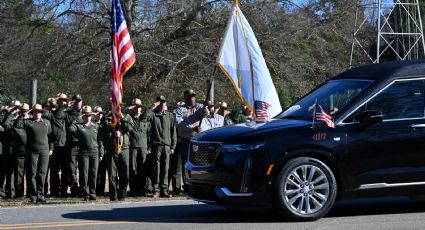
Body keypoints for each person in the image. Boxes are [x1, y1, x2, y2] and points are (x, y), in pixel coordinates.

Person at [173, 89, 206, 194]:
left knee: (199, 164)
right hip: (186, 140)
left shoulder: (200, 107)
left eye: (193, 95)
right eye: (190, 96)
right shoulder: (180, 110)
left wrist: (205, 110)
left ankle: (199, 187)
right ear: (185, 97)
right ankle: (187, 186)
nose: (192, 97)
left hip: (199, 141)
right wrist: (192, 129)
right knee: (186, 165)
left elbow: (205, 113)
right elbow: (179, 124)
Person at [19, 104, 53, 203]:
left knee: (42, 174)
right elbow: (17, 125)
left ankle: (41, 195)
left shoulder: (47, 123)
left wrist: (51, 148)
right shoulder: (28, 122)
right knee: (32, 174)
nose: (38, 113)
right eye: (35, 112)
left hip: (44, 152)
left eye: (39, 112)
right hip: (32, 152)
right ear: (32, 112)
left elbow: (51, 137)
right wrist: (24, 115)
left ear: (42, 113)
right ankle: (33, 196)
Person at [69, 106, 104, 201]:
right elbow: (70, 129)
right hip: (83, 153)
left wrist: (101, 153)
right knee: (84, 174)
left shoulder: (96, 126)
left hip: (95, 153)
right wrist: (78, 118)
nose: (87, 117)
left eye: (89, 115)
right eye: (85, 115)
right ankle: (85, 193)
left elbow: (100, 141)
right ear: (83, 116)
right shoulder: (78, 126)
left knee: (93, 174)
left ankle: (93, 193)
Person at [148, 95, 177, 198]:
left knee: (166, 169)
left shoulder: (170, 115)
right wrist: (152, 107)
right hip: (156, 145)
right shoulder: (152, 115)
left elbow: (173, 132)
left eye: (163, 102)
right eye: (159, 102)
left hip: (167, 146)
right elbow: (144, 118)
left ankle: (164, 190)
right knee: (156, 168)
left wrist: (173, 146)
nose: (162, 104)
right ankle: (156, 190)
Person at [124, 98, 152, 196]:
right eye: (135, 106)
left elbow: (149, 134)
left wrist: (149, 147)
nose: (137, 108)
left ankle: (143, 189)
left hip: (143, 148)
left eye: (139, 106)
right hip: (133, 147)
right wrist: (129, 109)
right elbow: (122, 116)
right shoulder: (129, 117)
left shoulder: (145, 118)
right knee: (132, 169)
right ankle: (133, 189)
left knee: (143, 169)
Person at [43, 93, 69, 197]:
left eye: (64, 101)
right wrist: (50, 104)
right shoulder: (51, 114)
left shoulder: (66, 112)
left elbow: (63, 111)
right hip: (54, 146)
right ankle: (54, 191)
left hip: (65, 146)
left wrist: (55, 103)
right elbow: (42, 112)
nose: (63, 102)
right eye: (60, 101)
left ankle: (63, 191)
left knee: (65, 170)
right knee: (54, 170)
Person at [3, 103, 30, 198]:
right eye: (21, 110)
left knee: (30, 174)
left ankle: (30, 193)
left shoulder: (30, 120)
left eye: (25, 110)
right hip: (16, 151)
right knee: (17, 174)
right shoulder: (13, 121)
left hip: (29, 151)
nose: (23, 112)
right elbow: (5, 125)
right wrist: (11, 112)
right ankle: (17, 193)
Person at [2, 100, 22, 199]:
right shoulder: (7, 118)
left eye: (17, 107)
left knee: (18, 172)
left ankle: (18, 192)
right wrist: (9, 113)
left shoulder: (21, 118)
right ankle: (9, 192)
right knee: (9, 172)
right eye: (13, 107)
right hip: (9, 149)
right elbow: (5, 125)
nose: (16, 109)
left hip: (19, 149)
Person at [66, 94, 83, 197]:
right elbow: (69, 127)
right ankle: (74, 189)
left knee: (83, 168)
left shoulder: (86, 112)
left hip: (82, 144)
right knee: (72, 169)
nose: (78, 103)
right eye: (75, 101)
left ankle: (83, 188)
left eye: (79, 101)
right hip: (72, 144)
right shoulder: (68, 113)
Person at [94, 106, 107, 196]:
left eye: (101, 113)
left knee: (102, 172)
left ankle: (101, 191)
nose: (99, 115)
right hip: (95, 150)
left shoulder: (105, 125)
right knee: (95, 172)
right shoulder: (92, 124)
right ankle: (95, 189)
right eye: (97, 113)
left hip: (105, 150)